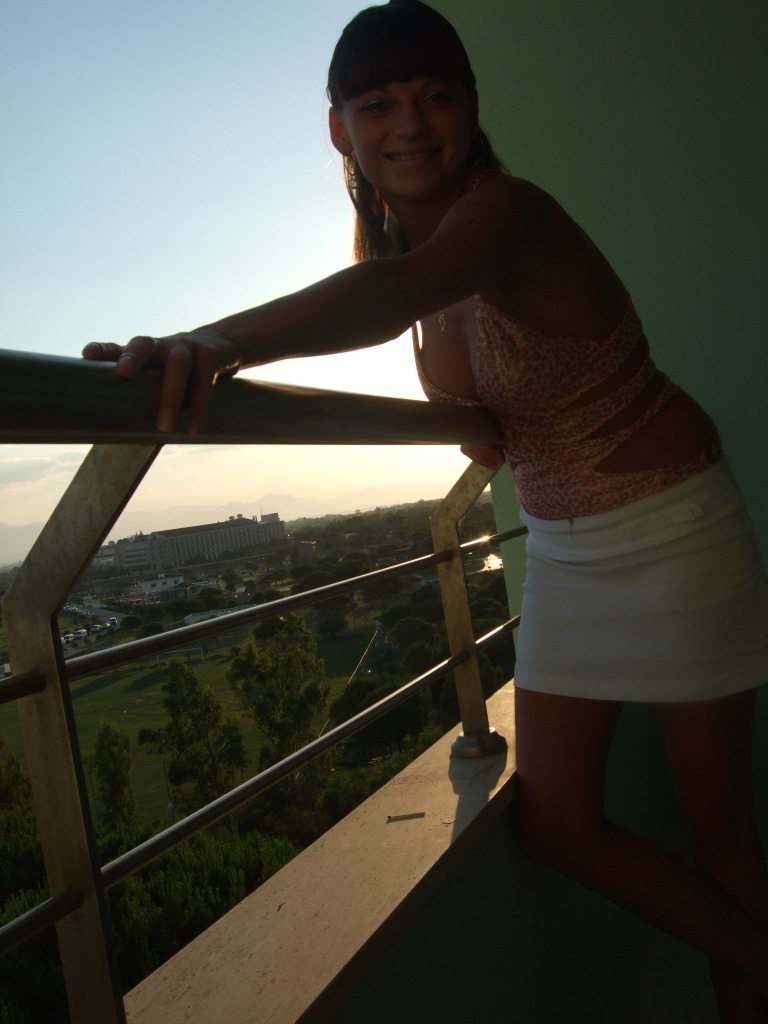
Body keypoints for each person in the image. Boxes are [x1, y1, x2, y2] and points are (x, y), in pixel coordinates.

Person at [83, 1, 768, 1018]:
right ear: (340, 129)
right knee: (557, 827)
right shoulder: (399, 251)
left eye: (435, 95)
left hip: (673, 527)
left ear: (470, 107)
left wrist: (212, 342)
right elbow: (478, 401)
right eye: (378, 103)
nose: (410, 123)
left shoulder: (508, 213)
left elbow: (400, 289)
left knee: (716, 822)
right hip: (566, 556)